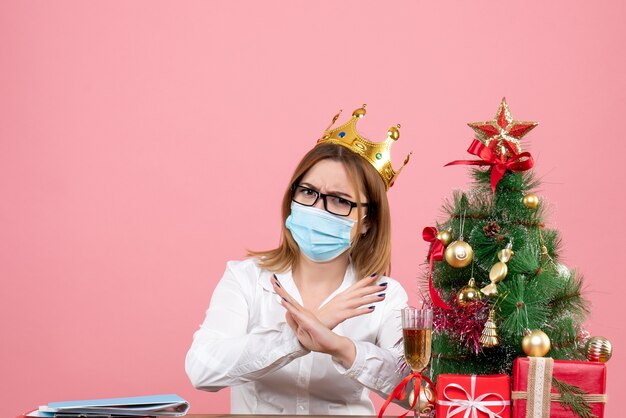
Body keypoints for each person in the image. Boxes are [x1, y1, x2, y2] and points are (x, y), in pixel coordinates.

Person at [185, 105, 412, 415]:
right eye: (308, 192)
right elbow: (202, 369)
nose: (318, 209)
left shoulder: (384, 295)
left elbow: (416, 392)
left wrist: (341, 347)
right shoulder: (246, 278)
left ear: (368, 221)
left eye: (339, 200)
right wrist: (296, 339)